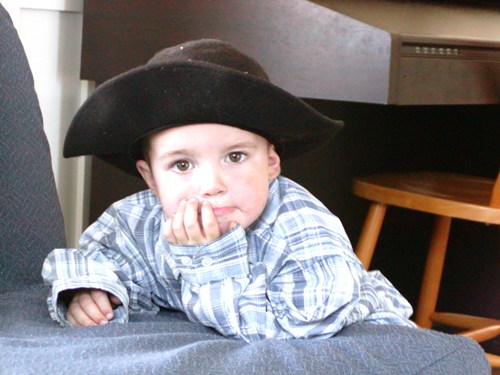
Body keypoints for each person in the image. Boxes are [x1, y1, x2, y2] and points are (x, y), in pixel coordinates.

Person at [42, 39, 415, 342]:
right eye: (182, 165)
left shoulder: (302, 228)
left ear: (271, 163)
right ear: (151, 177)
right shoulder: (139, 218)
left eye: (235, 157)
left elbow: (294, 334)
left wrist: (211, 259)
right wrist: (92, 292)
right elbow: (99, 257)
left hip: (355, 339)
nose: (212, 186)